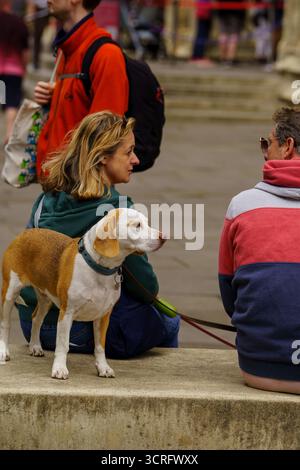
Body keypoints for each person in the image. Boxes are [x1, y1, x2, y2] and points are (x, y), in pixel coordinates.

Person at [17, 110, 180, 358]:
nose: (135, 160)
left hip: (33, 325)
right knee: (170, 322)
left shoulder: (45, 199)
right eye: (128, 152)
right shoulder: (118, 211)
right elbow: (146, 288)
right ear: (103, 156)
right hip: (77, 328)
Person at [218, 107, 300, 394]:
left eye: (268, 144)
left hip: (260, 367)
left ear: (287, 146)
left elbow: (230, 296)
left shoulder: (242, 205)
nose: (264, 152)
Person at [34, 0, 128, 179]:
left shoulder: (106, 54)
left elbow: (107, 135)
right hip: (56, 180)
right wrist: (53, 97)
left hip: (79, 188)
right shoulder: (66, 48)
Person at [0, 0, 29, 143]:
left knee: (2, 98)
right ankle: (9, 133)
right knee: (11, 103)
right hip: (14, 70)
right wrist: (24, 67)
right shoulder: (20, 23)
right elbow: (25, 51)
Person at [215, 0, 246, 66]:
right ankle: (230, 59)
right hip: (236, 11)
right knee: (233, 34)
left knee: (223, 33)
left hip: (222, 9)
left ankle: (223, 58)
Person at [191, 0, 213, 66]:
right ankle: (198, 56)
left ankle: (199, 55)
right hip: (204, 9)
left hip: (205, 8)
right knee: (202, 33)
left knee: (203, 33)